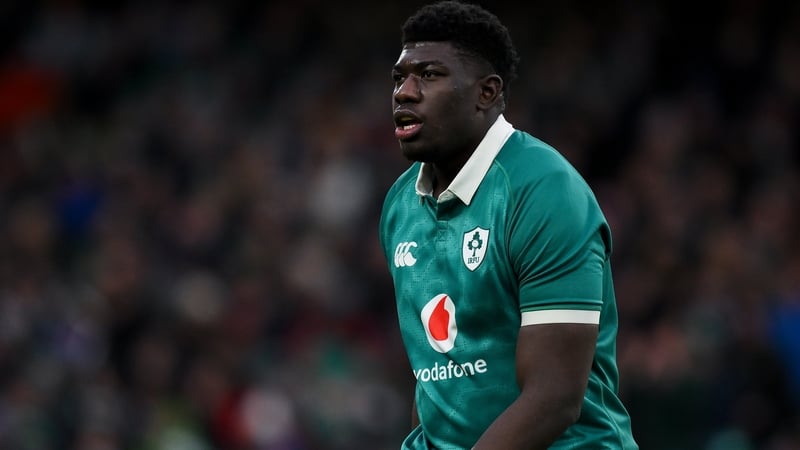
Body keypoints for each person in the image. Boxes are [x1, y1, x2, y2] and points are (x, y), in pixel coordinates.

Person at [378, 1, 639, 449]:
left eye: (429, 75)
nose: (405, 92)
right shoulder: (400, 205)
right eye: (400, 78)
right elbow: (437, 375)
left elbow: (554, 398)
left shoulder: (544, 192)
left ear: (486, 93)